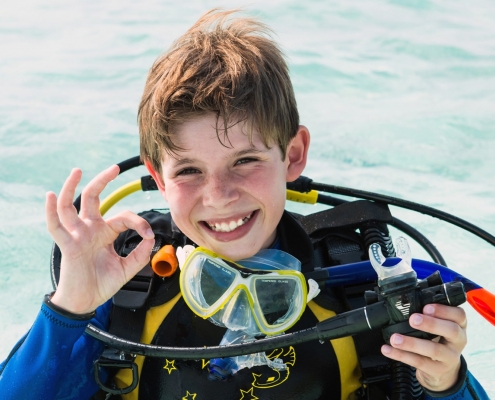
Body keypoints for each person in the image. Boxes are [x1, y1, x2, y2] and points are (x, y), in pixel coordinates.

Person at [0, 9, 489, 400]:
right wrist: (70, 309)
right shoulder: (126, 287)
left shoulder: (362, 284)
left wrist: (443, 383)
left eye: (245, 161)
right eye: (189, 170)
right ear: (157, 177)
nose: (219, 195)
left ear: (292, 154)